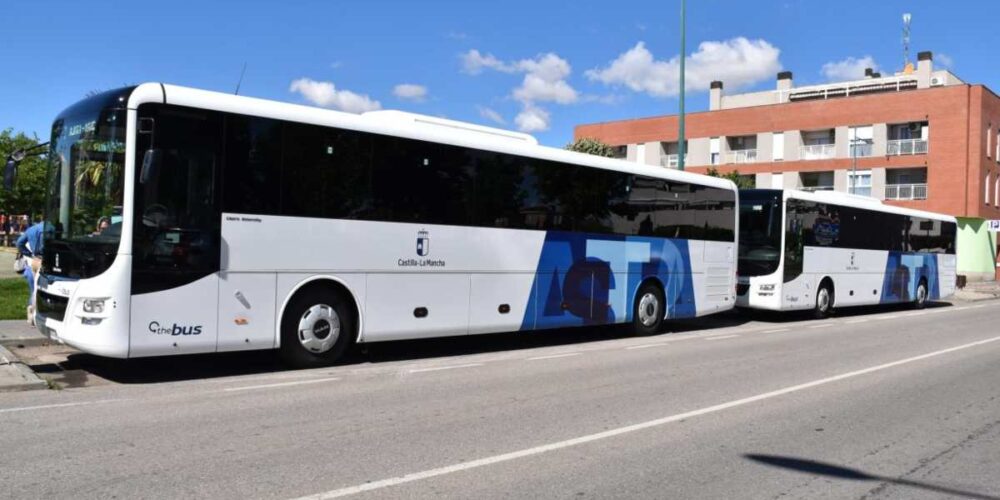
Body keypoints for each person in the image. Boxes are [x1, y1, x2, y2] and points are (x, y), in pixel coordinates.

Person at [15, 220, 45, 325]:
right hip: (45, 261)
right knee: (44, 289)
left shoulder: (31, 229)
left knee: (34, 288)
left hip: (35, 260)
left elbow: (19, 243)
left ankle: (30, 312)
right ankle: (37, 313)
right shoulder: (51, 229)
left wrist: (29, 253)